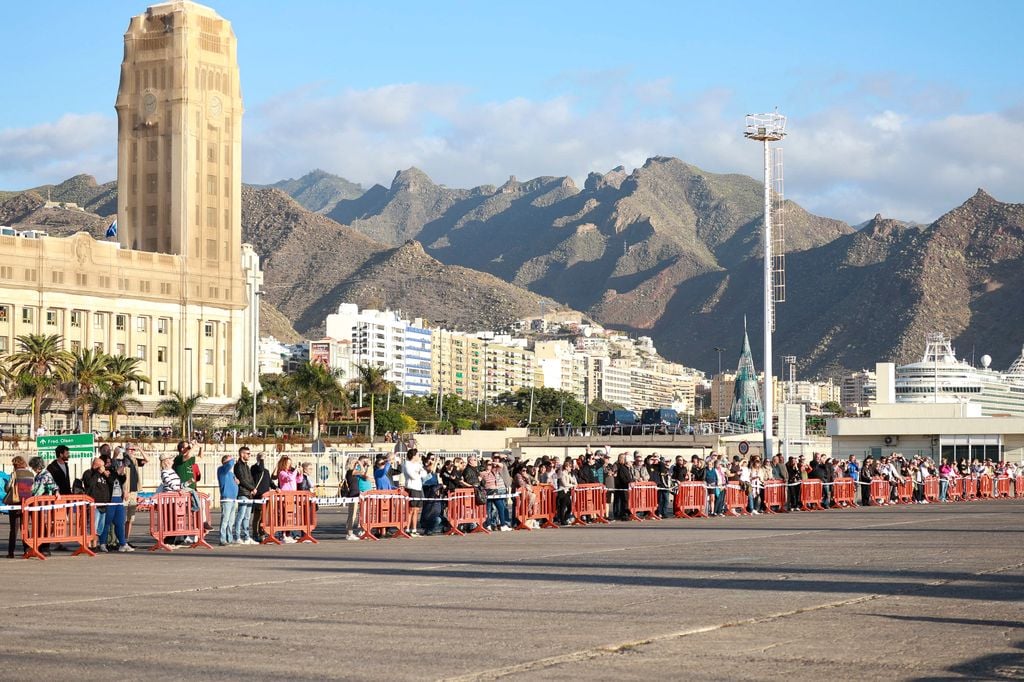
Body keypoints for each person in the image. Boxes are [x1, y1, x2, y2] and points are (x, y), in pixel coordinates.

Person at [5, 456, 35, 558]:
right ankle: (26, 550)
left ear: (15, 465)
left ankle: (10, 552)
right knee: (25, 527)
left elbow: (8, 487)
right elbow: (33, 489)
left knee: (14, 529)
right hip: (27, 504)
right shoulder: (31, 474)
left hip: (15, 504)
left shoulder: (14, 474)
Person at [82, 457, 113, 551]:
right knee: (92, 526)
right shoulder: (88, 473)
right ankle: (89, 545)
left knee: (99, 528)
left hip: (103, 504)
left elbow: (112, 483)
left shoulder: (103, 475)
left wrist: (107, 476)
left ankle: (95, 544)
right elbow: (90, 484)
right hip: (94, 504)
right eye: (101, 466)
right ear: (96, 465)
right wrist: (98, 473)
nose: (104, 468)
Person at [233, 447, 257, 544]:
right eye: (248, 453)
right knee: (241, 515)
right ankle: (237, 536)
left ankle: (247, 537)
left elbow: (250, 479)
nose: (249, 455)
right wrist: (251, 488)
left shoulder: (246, 466)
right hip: (242, 493)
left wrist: (253, 488)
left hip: (249, 493)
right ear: (242, 454)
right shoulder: (238, 466)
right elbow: (242, 480)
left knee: (247, 517)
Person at [401, 449, 427, 537]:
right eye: (417, 455)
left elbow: (424, 474)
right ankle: (407, 528)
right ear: (413, 455)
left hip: (418, 488)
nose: (418, 456)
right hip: (411, 488)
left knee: (417, 509)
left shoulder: (418, 464)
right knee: (410, 510)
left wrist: (419, 472)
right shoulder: (407, 464)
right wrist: (419, 473)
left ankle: (414, 529)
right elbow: (413, 476)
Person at [480, 459, 511, 531]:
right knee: (488, 509)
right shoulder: (482, 473)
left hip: (495, 491)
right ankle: (488, 524)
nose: (489, 466)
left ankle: (503, 525)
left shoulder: (494, 471)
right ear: (485, 465)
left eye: (490, 465)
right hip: (487, 491)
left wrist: (493, 462)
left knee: (501, 507)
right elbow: (479, 481)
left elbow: (501, 466)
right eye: (488, 465)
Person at [217, 454, 239, 545]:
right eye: (230, 459)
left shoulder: (231, 473)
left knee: (231, 520)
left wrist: (237, 482)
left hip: (233, 499)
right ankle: (222, 539)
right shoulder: (222, 470)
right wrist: (233, 459)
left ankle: (229, 538)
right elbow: (230, 464)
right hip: (226, 499)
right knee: (225, 519)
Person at [251, 454, 272, 542]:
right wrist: (261, 461)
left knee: (264, 517)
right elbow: (260, 469)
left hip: (266, 496)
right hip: (258, 496)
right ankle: (255, 533)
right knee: (257, 516)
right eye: (261, 458)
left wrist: (276, 487)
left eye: (263, 458)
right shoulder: (254, 468)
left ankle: (262, 533)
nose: (262, 460)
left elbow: (270, 482)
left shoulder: (266, 471)